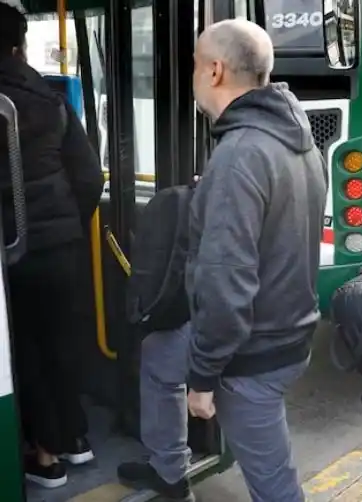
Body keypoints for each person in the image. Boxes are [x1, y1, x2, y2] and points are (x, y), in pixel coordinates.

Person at [117, 19, 327, 502]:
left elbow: (226, 282)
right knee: (158, 357)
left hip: (253, 350)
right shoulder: (295, 141)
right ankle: (170, 472)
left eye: (192, 64)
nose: (191, 74)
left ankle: (173, 468)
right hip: (286, 327)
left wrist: (204, 379)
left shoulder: (239, 154)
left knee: (274, 485)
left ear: (213, 71)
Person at [1, 3, 103, 488]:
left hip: (12, 253)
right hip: (62, 247)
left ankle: (44, 458)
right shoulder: (51, 98)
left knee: (27, 352)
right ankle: (75, 438)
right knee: (61, 341)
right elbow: (89, 176)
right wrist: (67, 227)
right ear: (19, 45)